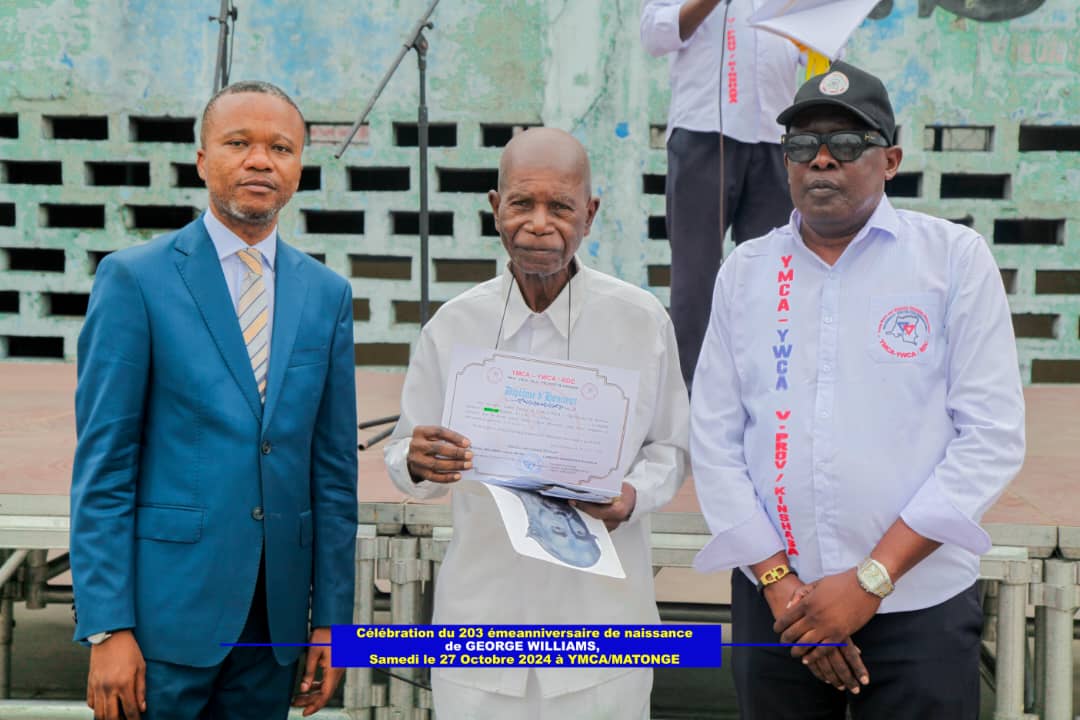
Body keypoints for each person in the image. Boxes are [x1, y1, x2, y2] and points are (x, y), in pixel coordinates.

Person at [690, 61, 1025, 719]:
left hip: (916, 604)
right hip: (776, 608)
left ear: (890, 159)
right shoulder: (747, 272)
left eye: (846, 145)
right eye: (801, 146)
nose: (821, 161)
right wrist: (786, 590)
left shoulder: (952, 261)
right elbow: (715, 443)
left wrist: (870, 581)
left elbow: (990, 438)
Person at [70, 80, 358, 720]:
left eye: (280, 147)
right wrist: (106, 626)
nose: (261, 160)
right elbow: (105, 464)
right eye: (239, 143)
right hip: (162, 623)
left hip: (274, 626)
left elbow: (334, 474)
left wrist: (332, 624)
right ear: (202, 159)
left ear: (299, 166)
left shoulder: (326, 295)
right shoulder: (136, 278)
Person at [383, 127, 689, 719]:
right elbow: (403, 453)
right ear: (496, 210)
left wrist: (632, 494)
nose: (539, 223)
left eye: (561, 206)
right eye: (522, 203)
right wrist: (416, 461)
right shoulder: (453, 326)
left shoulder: (639, 321)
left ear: (590, 214)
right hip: (483, 619)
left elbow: (672, 448)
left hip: (601, 622)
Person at [640, 0, 803, 389]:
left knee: (770, 273)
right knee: (696, 278)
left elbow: (823, 44)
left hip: (775, 133)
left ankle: (762, 393)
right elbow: (654, 33)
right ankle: (689, 403)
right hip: (702, 131)